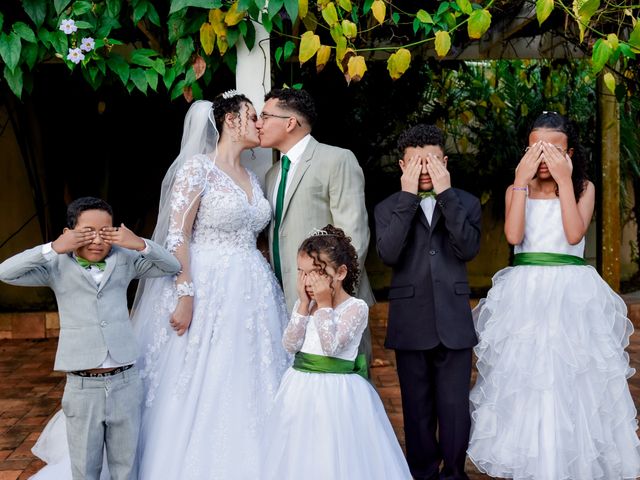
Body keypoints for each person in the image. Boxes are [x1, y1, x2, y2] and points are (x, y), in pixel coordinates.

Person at [467, 111, 640, 479]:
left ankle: (572, 461)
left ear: (570, 153)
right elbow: (514, 237)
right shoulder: (520, 187)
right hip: (526, 294)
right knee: (530, 376)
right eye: (535, 151)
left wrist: (564, 181)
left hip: (571, 296)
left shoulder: (584, 188)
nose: (543, 160)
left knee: (571, 376)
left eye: (554, 152)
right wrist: (519, 180)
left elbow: (574, 233)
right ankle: (535, 461)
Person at [130, 92, 291, 479]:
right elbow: (177, 237)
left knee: (250, 371)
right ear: (231, 121)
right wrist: (185, 293)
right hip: (207, 284)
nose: (258, 124)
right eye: (253, 116)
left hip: (253, 289)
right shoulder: (197, 170)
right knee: (202, 373)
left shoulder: (253, 176)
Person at [0, 196, 181, 480]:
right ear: (69, 233)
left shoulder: (124, 259)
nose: (97, 239)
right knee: (85, 467)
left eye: (105, 231)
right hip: (83, 385)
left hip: (125, 381)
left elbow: (171, 266)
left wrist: (139, 243)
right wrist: (52, 249)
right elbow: (6, 272)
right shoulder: (55, 265)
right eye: (87, 232)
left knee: (127, 466)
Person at [261, 224, 412, 479]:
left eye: (317, 273)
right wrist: (303, 307)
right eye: (302, 273)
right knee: (300, 451)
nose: (308, 281)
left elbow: (331, 347)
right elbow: (289, 344)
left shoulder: (356, 308)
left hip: (338, 395)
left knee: (333, 451)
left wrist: (323, 305)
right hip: (300, 390)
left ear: (340, 272)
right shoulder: (304, 303)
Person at [374, 124, 481, 480]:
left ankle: (454, 472)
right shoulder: (388, 207)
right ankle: (422, 472)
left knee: (454, 408)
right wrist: (407, 199)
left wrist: (447, 194)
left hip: (453, 321)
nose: (424, 171)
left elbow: (466, 248)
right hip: (411, 320)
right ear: (402, 166)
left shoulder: (466, 202)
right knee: (416, 408)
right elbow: (388, 253)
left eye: (432, 162)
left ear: (446, 163)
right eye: (415, 163)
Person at [256, 88, 375, 364]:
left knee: (342, 391)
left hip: (333, 302)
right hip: (291, 301)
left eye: (265, 116)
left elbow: (353, 234)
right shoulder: (272, 174)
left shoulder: (337, 160)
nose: (258, 123)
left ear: (289, 122)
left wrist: (328, 295)